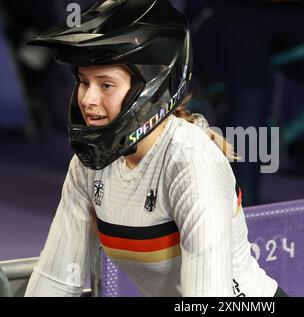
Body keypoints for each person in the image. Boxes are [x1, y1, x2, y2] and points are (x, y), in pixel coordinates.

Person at [24, 0, 287, 297]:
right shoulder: (89, 163)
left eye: (106, 85)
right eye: (84, 82)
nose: (87, 99)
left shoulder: (191, 161)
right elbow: (56, 279)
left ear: (152, 87)